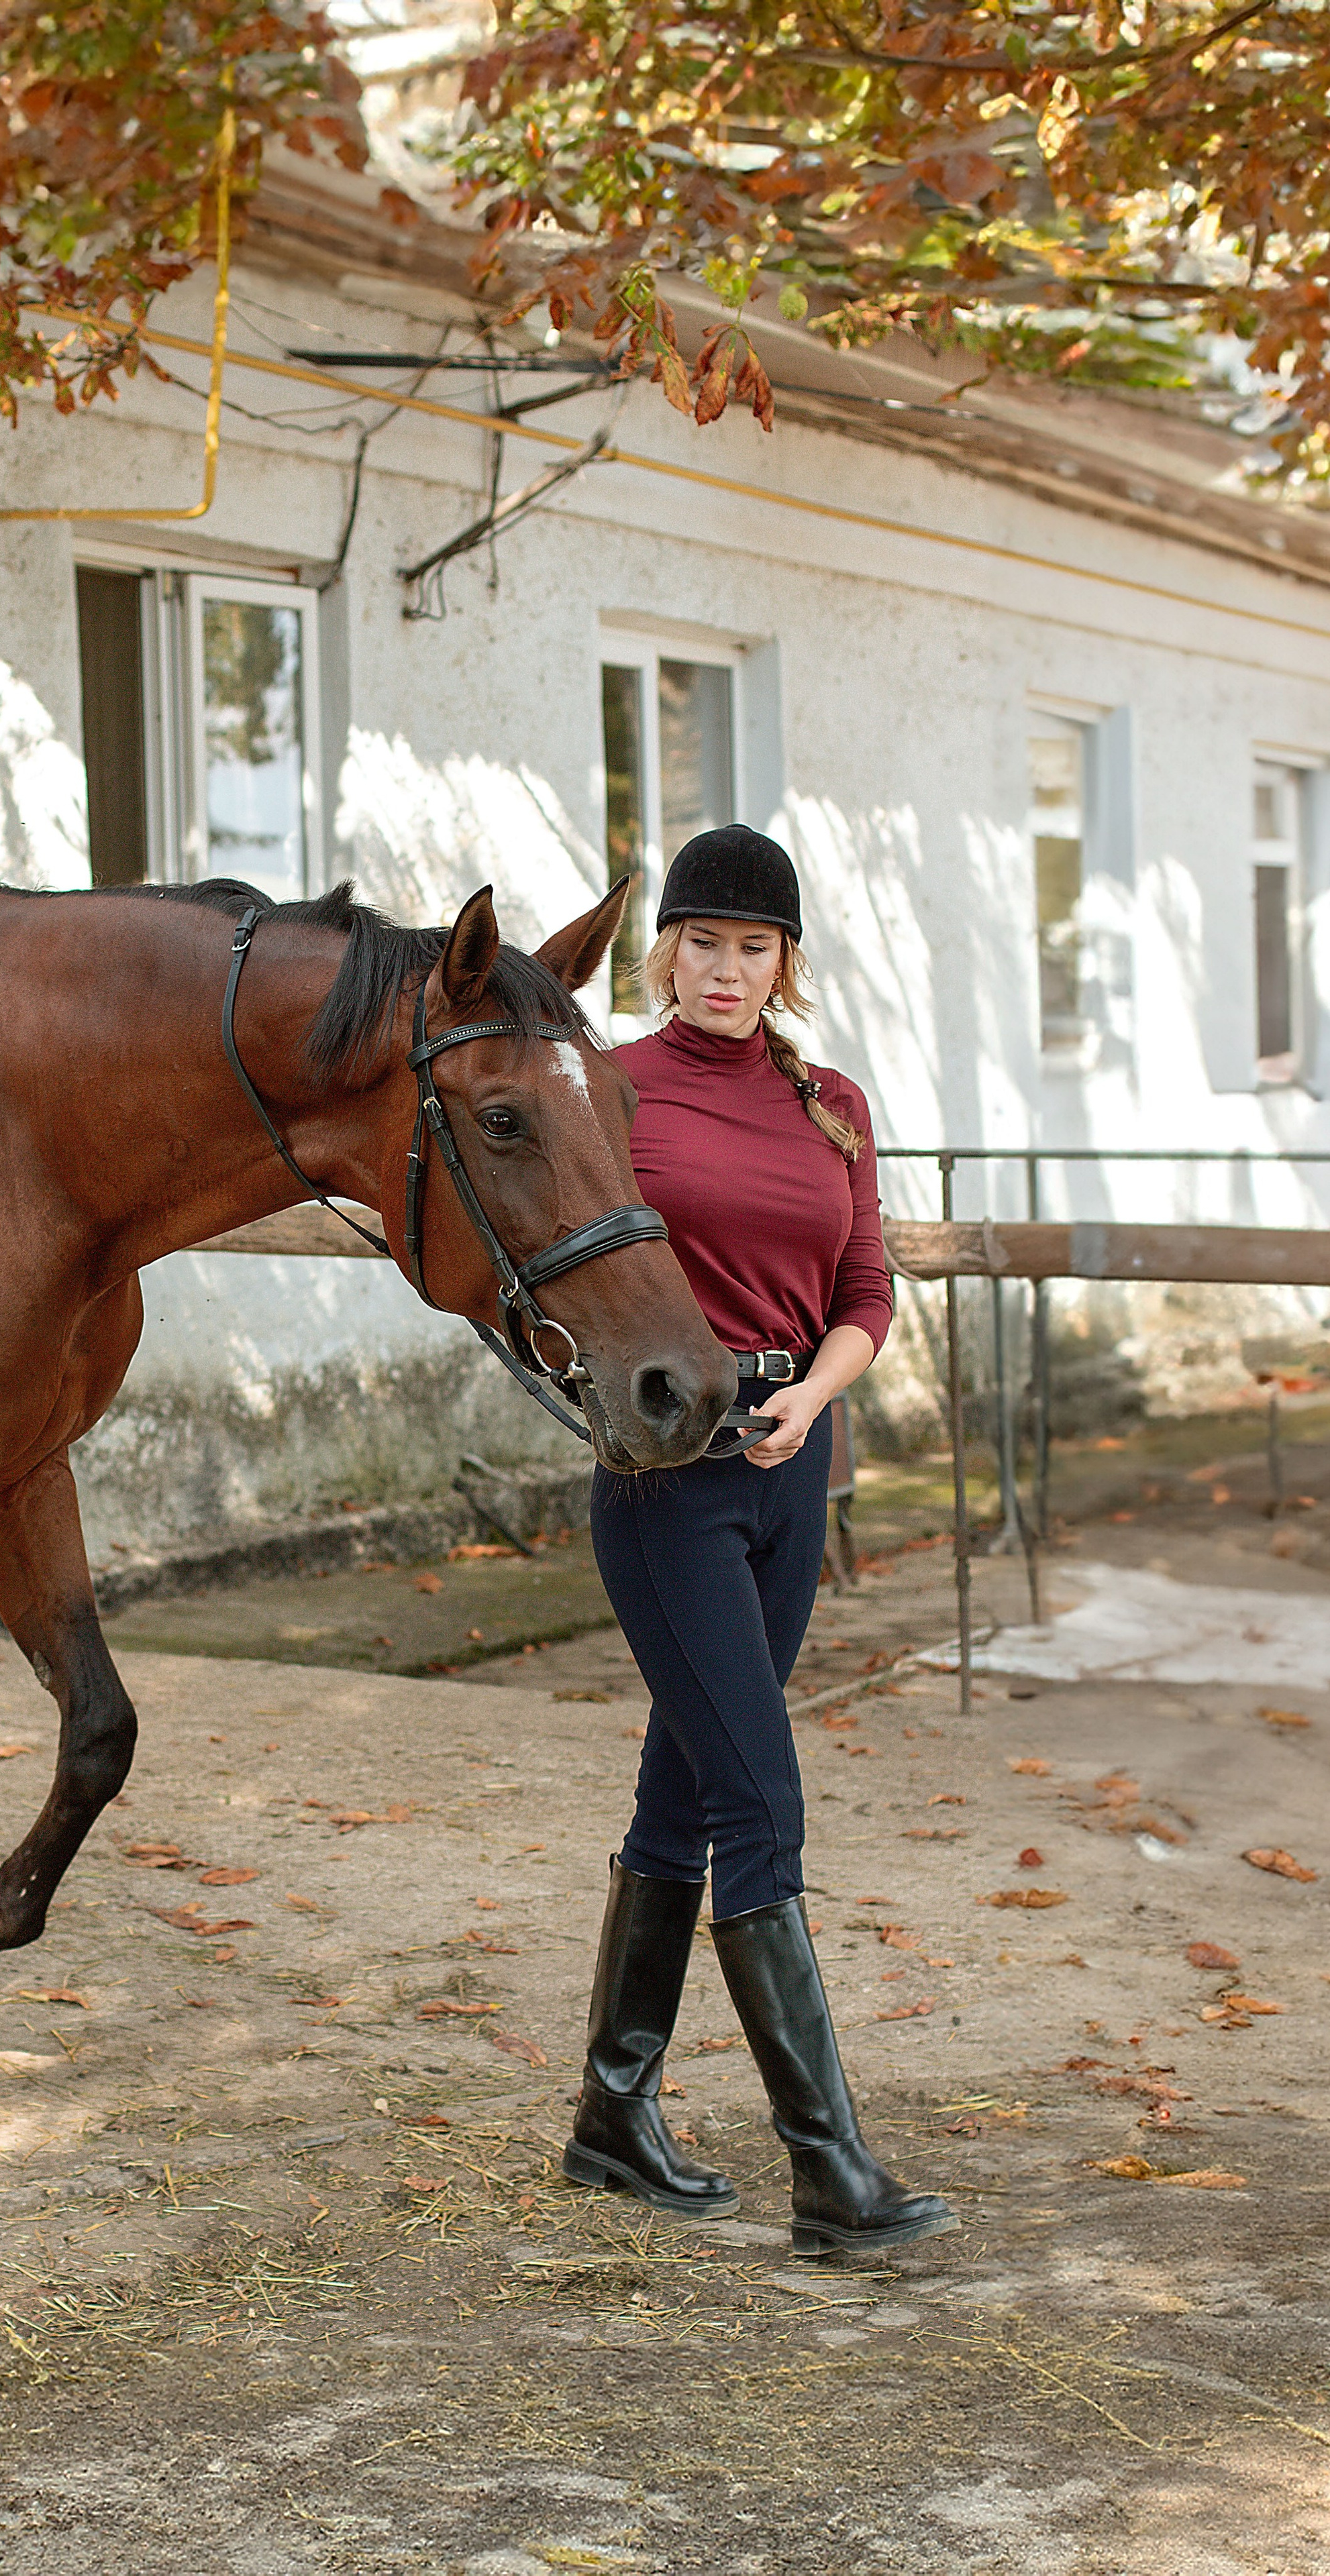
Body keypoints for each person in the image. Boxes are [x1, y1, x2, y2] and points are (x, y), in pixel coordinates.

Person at [563, 824, 956, 2255]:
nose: (724, 969)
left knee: (688, 1793)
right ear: (662, 951)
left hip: (795, 1467)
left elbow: (864, 1286)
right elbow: (555, 1264)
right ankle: (827, 2169)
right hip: (671, 1471)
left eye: (752, 946)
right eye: (701, 942)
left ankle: (612, 2117)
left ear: (785, 963)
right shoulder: (605, 1090)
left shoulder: (830, 1101)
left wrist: (815, 1403)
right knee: (758, 1802)